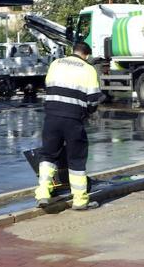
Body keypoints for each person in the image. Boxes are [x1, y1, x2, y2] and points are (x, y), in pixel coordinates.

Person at [35, 42, 104, 210]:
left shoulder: (55, 64)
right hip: (73, 119)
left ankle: (43, 194)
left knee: (48, 155)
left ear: (73, 51)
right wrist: (88, 111)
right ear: (86, 55)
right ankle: (80, 201)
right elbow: (93, 99)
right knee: (76, 159)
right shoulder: (88, 69)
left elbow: (48, 86)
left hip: (51, 116)